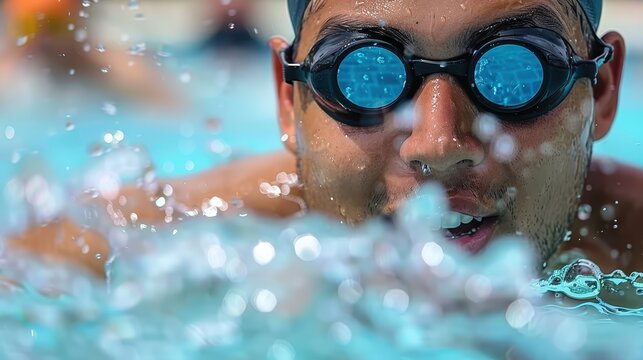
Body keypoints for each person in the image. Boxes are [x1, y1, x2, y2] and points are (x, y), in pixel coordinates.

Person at [8, 0, 642, 277]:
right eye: (365, 74)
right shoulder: (177, 242)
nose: (437, 142)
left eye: (513, 74)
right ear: (289, 100)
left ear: (604, 89)